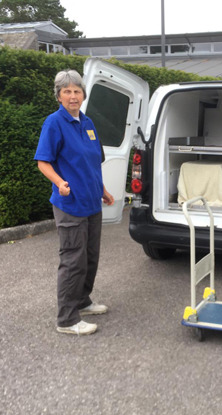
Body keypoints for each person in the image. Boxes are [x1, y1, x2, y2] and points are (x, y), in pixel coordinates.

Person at [34, 69, 114, 335]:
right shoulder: (54, 123)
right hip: (70, 205)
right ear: (58, 96)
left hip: (92, 202)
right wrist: (59, 182)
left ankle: (82, 300)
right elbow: (43, 162)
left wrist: (102, 189)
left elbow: (92, 163)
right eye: (66, 91)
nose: (72, 96)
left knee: (90, 257)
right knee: (73, 259)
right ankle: (66, 319)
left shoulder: (88, 123)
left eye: (76, 91)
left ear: (83, 95)